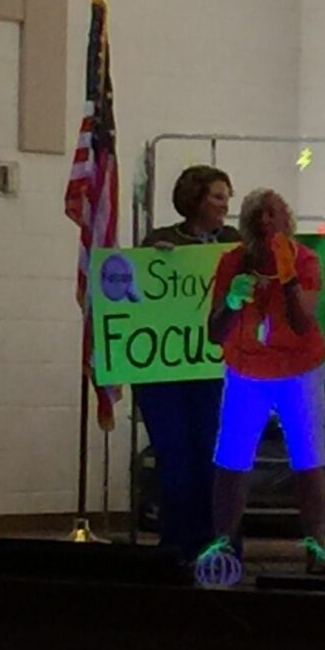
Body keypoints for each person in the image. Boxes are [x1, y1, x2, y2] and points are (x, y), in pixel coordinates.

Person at [197, 189, 325, 576]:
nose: (265, 223)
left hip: (299, 368)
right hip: (247, 369)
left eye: (273, 215)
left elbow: (302, 322)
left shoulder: (305, 260)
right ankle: (223, 541)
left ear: (287, 220)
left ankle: (316, 544)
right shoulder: (232, 261)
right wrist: (231, 302)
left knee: (308, 460)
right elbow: (214, 332)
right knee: (231, 460)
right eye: (257, 216)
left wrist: (288, 278)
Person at [139, 165, 238, 558]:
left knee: (216, 457)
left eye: (227, 197)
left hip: (216, 370)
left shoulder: (234, 243)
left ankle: (220, 541)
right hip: (168, 371)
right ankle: (179, 542)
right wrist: (154, 262)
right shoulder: (159, 240)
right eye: (217, 196)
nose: (225, 205)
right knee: (176, 458)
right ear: (195, 199)